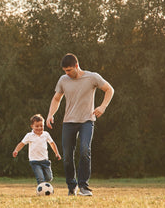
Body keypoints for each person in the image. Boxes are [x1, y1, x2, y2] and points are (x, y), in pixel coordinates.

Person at [46, 53, 114, 196]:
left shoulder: (92, 77)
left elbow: (109, 90)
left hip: (87, 121)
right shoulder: (63, 80)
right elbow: (56, 99)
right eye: (65, 71)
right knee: (67, 157)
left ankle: (84, 186)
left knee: (84, 149)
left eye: (69, 70)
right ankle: (72, 186)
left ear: (76, 66)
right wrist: (50, 115)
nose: (67, 73)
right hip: (69, 121)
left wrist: (102, 107)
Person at [12, 114, 61, 185]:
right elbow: (21, 143)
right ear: (32, 126)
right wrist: (16, 150)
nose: (39, 128)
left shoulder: (46, 134)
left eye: (41, 126)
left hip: (45, 160)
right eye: (37, 126)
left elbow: (52, 144)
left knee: (49, 178)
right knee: (40, 179)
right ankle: (41, 190)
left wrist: (57, 153)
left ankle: (44, 186)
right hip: (34, 161)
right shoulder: (29, 135)